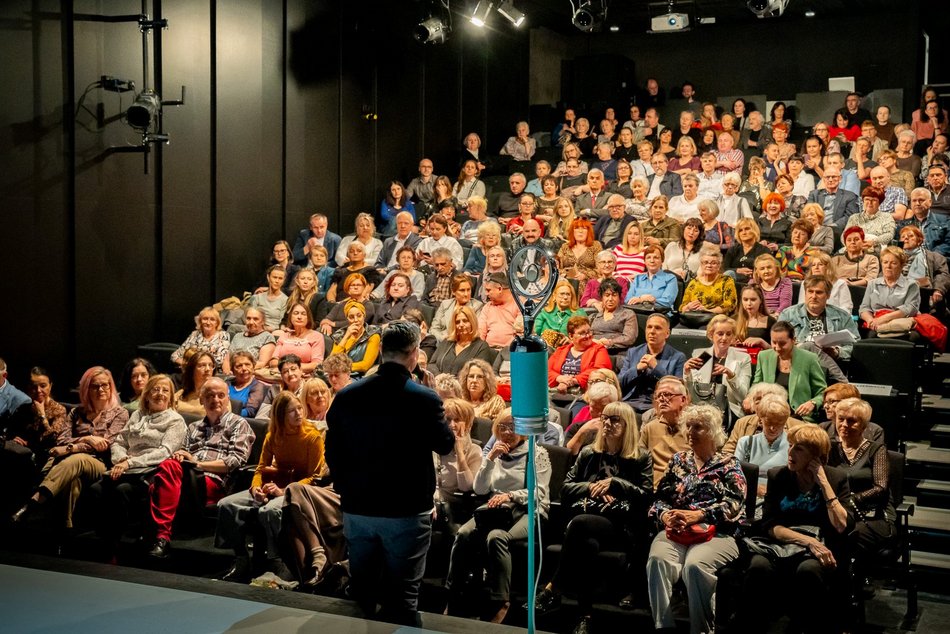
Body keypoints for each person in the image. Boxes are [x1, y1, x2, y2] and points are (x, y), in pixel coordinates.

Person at [326, 322, 455, 627]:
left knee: (362, 593)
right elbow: (445, 444)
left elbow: (332, 450)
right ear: (414, 354)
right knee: (403, 598)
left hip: (358, 506)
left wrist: (345, 489)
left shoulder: (348, 395)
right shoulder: (425, 398)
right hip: (406, 510)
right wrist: (433, 396)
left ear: (381, 351)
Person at [532, 402, 653, 633]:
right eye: (605, 418)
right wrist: (592, 487)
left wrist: (616, 484)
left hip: (619, 526)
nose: (607, 424)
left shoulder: (640, 458)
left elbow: (646, 496)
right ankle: (584, 615)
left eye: (615, 420)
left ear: (628, 425)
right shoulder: (589, 453)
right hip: (587, 521)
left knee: (579, 525)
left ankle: (553, 588)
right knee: (586, 544)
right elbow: (565, 489)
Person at [732, 424, 851, 633]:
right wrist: (808, 541)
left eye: (799, 449)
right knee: (758, 566)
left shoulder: (835, 478)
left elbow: (841, 525)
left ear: (817, 457)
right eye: (791, 445)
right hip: (782, 542)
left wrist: (823, 483)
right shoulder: (779, 476)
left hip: (819, 547)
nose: (790, 452)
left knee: (808, 571)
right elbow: (769, 525)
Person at [445, 408, 552, 624]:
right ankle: (454, 590)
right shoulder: (495, 452)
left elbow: (539, 493)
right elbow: (481, 489)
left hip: (528, 511)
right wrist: (490, 459)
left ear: (523, 430)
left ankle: (501, 600)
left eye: (512, 427)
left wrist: (510, 495)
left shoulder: (536, 453)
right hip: (497, 511)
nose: (507, 432)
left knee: (497, 537)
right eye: (502, 427)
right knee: (463, 533)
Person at [646, 404, 746, 634]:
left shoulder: (729, 464)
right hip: (678, 529)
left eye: (697, 427)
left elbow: (734, 505)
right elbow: (659, 499)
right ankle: (664, 626)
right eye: (688, 426)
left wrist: (700, 514)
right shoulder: (679, 460)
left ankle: (701, 629)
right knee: (658, 561)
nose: (690, 432)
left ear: (712, 432)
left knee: (694, 566)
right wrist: (666, 515)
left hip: (718, 532)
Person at [216, 391, 325, 583]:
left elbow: (315, 476)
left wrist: (285, 491)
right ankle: (241, 558)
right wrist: (256, 488)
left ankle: (279, 562)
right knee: (226, 505)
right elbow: (260, 469)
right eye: (292, 411)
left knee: (270, 511)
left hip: (299, 490)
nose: (299, 413)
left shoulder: (312, 437)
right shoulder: (273, 436)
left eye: (299, 408)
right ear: (281, 415)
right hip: (275, 484)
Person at [143, 377, 255, 559]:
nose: (215, 400)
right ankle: (161, 537)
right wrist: (181, 455)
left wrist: (197, 464)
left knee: (157, 485)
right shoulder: (193, 427)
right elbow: (184, 452)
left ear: (228, 399)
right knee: (168, 468)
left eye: (220, 395)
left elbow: (235, 461)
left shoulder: (238, 424)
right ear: (202, 400)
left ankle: (159, 535)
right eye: (210, 396)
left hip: (213, 483)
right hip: (187, 478)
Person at [12, 367, 129, 527]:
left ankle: (32, 503)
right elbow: (61, 439)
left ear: (111, 387)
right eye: (95, 386)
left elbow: (104, 445)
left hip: (100, 463)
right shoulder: (76, 412)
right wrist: (87, 438)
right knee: (72, 483)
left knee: (77, 459)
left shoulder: (120, 413)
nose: (101, 389)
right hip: (69, 463)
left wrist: (72, 448)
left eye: (105, 385)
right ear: (87, 388)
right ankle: (66, 530)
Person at [90, 374, 186, 555]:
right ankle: (105, 540)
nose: (160, 394)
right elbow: (119, 441)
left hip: (150, 471)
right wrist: (120, 460)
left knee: (122, 491)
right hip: (125, 466)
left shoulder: (175, 420)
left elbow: (165, 452)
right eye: (155, 389)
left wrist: (130, 463)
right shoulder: (137, 415)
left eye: (165, 390)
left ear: (171, 397)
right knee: (96, 489)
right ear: (147, 394)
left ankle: (117, 546)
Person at [826, 397, 895, 560]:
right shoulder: (829, 448)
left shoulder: (876, 449)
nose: (844, 425)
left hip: (872, 515)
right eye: (840, 419)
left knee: (844, 538)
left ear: (864, 425)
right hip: (836, 513)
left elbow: (881, 488)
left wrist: (849, 501)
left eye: (851, 421)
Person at [2, 367, 67, 514]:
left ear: (50, 385)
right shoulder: (24, 408)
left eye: (43, 386)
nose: (38, 390)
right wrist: (13, 438)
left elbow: (52, 437)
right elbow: (10, 431)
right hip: (21, 454)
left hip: (47, 454)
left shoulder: (59, 409)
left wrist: (43, 415)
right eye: (33, 386)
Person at [683, 316, 752, 421]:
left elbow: (742, 396)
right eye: (720, 334)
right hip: (702, 408)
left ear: (733, 336)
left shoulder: (742, 358)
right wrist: (687, 372)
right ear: (711, 335)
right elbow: (691, 391)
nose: (724, 338)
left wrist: (731, 375)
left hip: (729, 411)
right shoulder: (702, 355)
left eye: (728, 334)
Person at [753, 321, 827, 421]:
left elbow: (823, 392)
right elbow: (756, 386)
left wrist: (812, 403)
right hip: (769, 415)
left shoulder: (809, 359)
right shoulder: (763, 356)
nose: (777, 348)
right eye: (774, 342)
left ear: (793, 340)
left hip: (798, 417)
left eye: (782, 343)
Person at [782, 276, 860, 365]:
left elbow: (855, 345)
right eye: (810, 292)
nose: (813, 296)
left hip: (829, 362)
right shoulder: (788, 314)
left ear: (828, 295)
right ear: (805, 293)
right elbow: (779, 343)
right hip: (798, 361)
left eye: (819, 292)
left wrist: (837, 352)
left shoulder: (842, 316)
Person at [619, 314, 686, 413]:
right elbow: (619, 383)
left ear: (667, 333)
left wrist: (656, 368)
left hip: (657, 405)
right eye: (649, 327)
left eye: (658, 328)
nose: (652, 331)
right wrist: (636, 369)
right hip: (630, 403)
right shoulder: (633, 352)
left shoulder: (678, 357)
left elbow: (677, 389)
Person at [733, 394, 792, 505]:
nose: (772, 428)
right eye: (769, 422)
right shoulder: (746, 442)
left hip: (780, 500)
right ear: (760, 419)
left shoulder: (792, 445)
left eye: (778, 423)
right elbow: (735, 476)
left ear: (785, 422)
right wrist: (756, 488)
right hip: (748, 498)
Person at [859, 246, 921, 336]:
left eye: (893, 263)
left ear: (902, 265)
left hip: (901, 322)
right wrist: (870, 321)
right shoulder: (872, 284)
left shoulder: (911, 285)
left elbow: (910, 309)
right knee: (870, 335)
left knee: (912, 337)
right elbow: (864, 308)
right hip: (876, 322)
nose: (888, 266)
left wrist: (884, 319)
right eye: (885, 262)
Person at [547, 315, 612, 394]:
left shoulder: (599, 349)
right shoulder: (561, 351)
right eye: (582, 333)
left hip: (584, 396)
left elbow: (600, 370)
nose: (588, 336)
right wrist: (559, 378)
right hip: (555, 393)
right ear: (571, 336)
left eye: (589, 331)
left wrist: (572, 381)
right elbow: (546, 371)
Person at [430, 305, 496, 376]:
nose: (461, 324)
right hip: (440, 384)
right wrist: (439, 376)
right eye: (457, 322)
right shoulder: (447, 342)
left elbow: (478, 374)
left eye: (465, 321)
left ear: (472, 323)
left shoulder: (481, 347)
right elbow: (431, 364)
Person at [679, 247, 738, 324]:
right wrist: (688, 307)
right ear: (701, 265)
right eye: (706, 262)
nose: (709, 265)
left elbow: (729, 305)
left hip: (717, 320)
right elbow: (682, 307)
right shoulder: (693, 283)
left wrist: (708, 311)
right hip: (693, 318)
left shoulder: (726, 280)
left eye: (713, 263)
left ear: (719, 265)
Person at [170, 307, 230, 372]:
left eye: (212, 319)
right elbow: (175, 355)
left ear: (217, 323)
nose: (208, 322)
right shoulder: (194, 334)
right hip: (192, 373)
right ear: (200, 321)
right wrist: (184, 363)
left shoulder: (223, 335)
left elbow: (219, 360)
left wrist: (194, 362)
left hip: (213, 373)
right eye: (205, 319)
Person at [330, 300, 381, 374]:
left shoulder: (373, 334)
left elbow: (365, 365)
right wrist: (346, 336)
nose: (356, 320)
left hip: (360, 376)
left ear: (364, 315)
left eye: (359, 316)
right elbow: (332, 360)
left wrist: (340, 368)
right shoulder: (340, 334)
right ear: (347, 319)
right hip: (339, 373)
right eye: (351, 317)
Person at [271, 303, 324, 374]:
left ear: (308, 318)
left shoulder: (317, 336)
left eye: (303, 314)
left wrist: (291, 369)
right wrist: (289, 369)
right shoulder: (284, 336)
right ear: (290, 317)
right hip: (282, 374)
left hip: (305, 376)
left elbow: (316, 364)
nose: (299, 317)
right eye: (296, 313)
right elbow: (273, 362)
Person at [477, 272, 525, 349]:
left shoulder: (521, 304)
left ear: (499, 289)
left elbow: (521, 333)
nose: (486, 294)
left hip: (511, 350)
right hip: (488, 350)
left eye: (488, 290)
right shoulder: (487, 307)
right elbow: (480, 333)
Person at [591, 278, 638, 352]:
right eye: (607, 295)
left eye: (614, 295)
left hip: (616, 353)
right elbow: (585, 334)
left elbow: (629, 338)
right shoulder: (593, 317)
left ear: (619, 297)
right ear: (602, 298)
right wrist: (593, 341)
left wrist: (609, 342)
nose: (610, 299)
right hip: (593, 349)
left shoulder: (627, 314)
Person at [431, 275, 483, 342]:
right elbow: (434, 328)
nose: (466, 294)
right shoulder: (445, 304)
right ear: (453, 292)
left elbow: (475, 331)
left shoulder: (477, 306)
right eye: (462, 290)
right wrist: (442, 339)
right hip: (441, 341)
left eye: (468, 290)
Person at [627, 245, 678, 312]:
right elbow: (628, 300)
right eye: (648, 257)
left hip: (660, 314)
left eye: (656, 257)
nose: (652, 261)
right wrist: (643, 299)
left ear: (662, 260)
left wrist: (646, 300)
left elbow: (667, 302)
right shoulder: (637, 279)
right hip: (636, 312)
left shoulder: (670, 278)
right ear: (644, 261)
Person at [845, 186, 896, 251]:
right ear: (863, 201)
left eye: (874, 200)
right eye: (867, 199)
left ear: (879, 202)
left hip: (876, 248)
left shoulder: (887, 217)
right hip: (854, 248)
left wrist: (873, 242)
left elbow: (889, 235)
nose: (870, 203)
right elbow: (845, 234)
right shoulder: (854, 217)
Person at [534, 279, 586, 343]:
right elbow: (534, 333)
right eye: (562, 294)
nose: (565, 297)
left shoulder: (579, 313)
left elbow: (585, 336)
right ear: (554, 296)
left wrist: (571, 341)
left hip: (569, 348)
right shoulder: (544, 313)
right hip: (545, 348)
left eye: (568, 294)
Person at [723, 218, 770, 284]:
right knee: (728, 273)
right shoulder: (733, 250)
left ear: (754, 230)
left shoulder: (764, 250)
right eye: (740, 230)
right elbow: (724, 269)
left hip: (756, 282)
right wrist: (737, 270)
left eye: (747, 229)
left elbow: (768, 269)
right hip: (733, 282)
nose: (744, 232)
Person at [558, 218, 602, 282]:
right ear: (572, 232)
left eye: (584, 228)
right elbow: (557, 266)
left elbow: (600, 268)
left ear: (588, 231)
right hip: (567, 282)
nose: (580, 231)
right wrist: (565, 274)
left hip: (588, 282)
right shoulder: (565, 246)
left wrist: (585, 275)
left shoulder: (596, 246)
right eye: (576, 228)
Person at [247, 265, 289, 332]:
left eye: (280, 278)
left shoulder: (285, 300)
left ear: (283, 280)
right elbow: (250, 317)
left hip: (274, 331)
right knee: (233, 327)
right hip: (255, 328)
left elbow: (282, 323)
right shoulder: (258, 297)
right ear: (268, 277)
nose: (277, 281)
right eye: (274, 277)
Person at [227, 351, 267, 418]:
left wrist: (227, 413)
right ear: (232, 370)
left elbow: (250, 411)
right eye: (239, 366)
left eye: (247, 364)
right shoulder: (228, 383)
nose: (244, 368)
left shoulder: (257, 386)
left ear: (253, 366)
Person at [174, 352, 215, 416]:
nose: (207, 369)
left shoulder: (219, 395)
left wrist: (181, 407)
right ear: (192, 370)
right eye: (202, 365)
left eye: (210, 365)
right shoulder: (180, 394)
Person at [754, 254, 793, 318]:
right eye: (762, 269)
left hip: (779, 317)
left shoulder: (785, 282)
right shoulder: (753, 284)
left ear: (776, 268)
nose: (766, 271)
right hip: (758, 316)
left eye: (769, 267)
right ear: (757, 272)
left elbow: (785, 304)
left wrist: (775, 316)